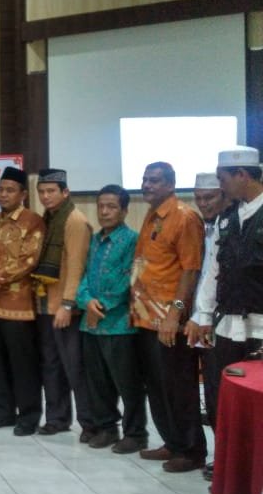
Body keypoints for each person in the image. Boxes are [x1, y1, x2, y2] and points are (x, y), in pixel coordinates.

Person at [187, 147, 263, 477]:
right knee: (219, 398)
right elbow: (208, 273)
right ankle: (224, 462)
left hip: (256, 324)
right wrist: (197, 315)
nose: (205, 202)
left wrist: (178, 312)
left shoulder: (182, 222)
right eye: (199, 197)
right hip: (212, 322)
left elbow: (188, 276)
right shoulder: (227, 220)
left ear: (242, 176)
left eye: (216, 188)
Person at [132, 161, 205, 473]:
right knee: (157, 385)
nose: (147, 185)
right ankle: (172, 443)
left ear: (171, 184)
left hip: (168, 319)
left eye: (155, 181)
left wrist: (176, 313)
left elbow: (191, 269)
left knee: (179, 386)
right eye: (146, 180)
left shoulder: (185, 217)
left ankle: (191, 451)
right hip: (145, 316)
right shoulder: (152, 214)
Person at [0, 166, 46, 436]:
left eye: (10, 190)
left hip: (18, 307)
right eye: (1, 189)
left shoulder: (33, 221)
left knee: (22, 363)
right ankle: (2, 411)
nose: (3, 194)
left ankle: (28, 415)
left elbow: (28, 260)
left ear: (23, 194)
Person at [75, 185, 146, 452]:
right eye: (101, 206)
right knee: (97, 382)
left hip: (119, 325)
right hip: (90, 325)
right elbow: (83, 277)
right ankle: (107, 428)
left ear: (125, 210)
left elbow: (130, 280)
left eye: (112, 206)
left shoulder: (132, 240)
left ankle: (136, 433)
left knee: (128, 384)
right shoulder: (94, 240)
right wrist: (85, 301)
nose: (104, 212)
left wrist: (100, 305)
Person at [32, 168, 93, 438]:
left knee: (75, 367)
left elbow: (77, 266)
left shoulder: (74, 220)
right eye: (42, 192)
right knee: (51, 365)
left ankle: (90, 424)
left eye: (51, 191)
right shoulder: (50, 218)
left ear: (65, 192)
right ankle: (57, 419)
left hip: (65, 307)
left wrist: (68, 304)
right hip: (46, 305)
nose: (46, 196)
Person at [184, 172, 229, 478]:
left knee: (221, 392)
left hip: (222, 322)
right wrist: (180, 313)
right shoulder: (196, 228)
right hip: (189, 319)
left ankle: (226, 458)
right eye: (198, 198)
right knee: (204, 393)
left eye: (210, 198)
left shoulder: (233, 227)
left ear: (224, 195)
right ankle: (197, 451)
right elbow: (185, 283)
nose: (204, 204)